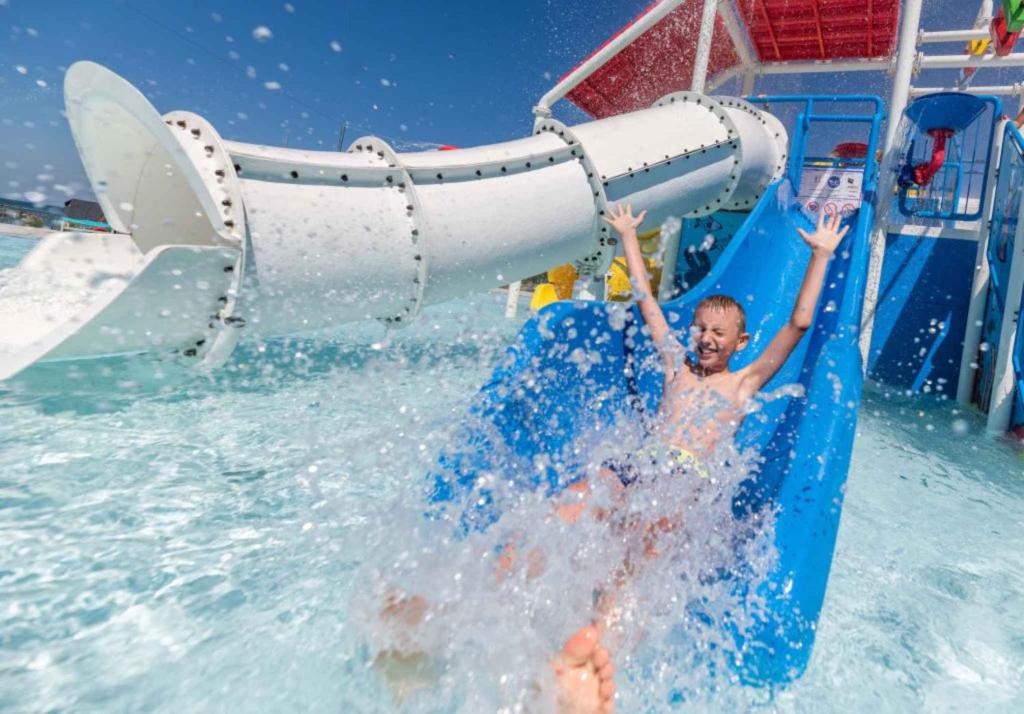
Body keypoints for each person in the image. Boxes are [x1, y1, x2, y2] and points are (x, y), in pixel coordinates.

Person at [377, 204, 849, 713]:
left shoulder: (744, 383)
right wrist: (627, 235)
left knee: (643, 551)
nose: (707, 339)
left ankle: (592, 660)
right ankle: (462, 609)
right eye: (701, 329)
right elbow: (646, 302)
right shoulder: (676, 368)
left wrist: (820, 255)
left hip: (686, 480)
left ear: (742, 341)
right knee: (564, 508)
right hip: (639, 464)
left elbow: (799, 325)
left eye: (720, 333)